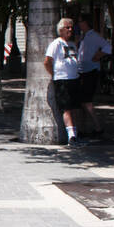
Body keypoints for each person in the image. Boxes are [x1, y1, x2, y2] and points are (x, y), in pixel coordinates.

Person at [44, 17, 83, 147]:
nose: (70, 29)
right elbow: (47, 61)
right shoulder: (56, 44)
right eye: (67, 27)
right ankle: (71, 137)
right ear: (61, 29)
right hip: (62, 80)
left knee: (75, 107)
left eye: (72, 27)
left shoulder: (72, 44)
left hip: (74, 79)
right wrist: (54, 74)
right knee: (66, 108)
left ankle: (76, 134)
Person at [76, 14, 111, 137]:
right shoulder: (82, 36)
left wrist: (98, 55)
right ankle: (82, 128)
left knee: (87, 101)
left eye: (80, 22)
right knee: (81, 102)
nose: (79, 24)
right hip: (81, 71)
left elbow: (108, 47)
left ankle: (98, 127)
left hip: (90, 71)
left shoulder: (94, 36)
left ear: (86, 23)